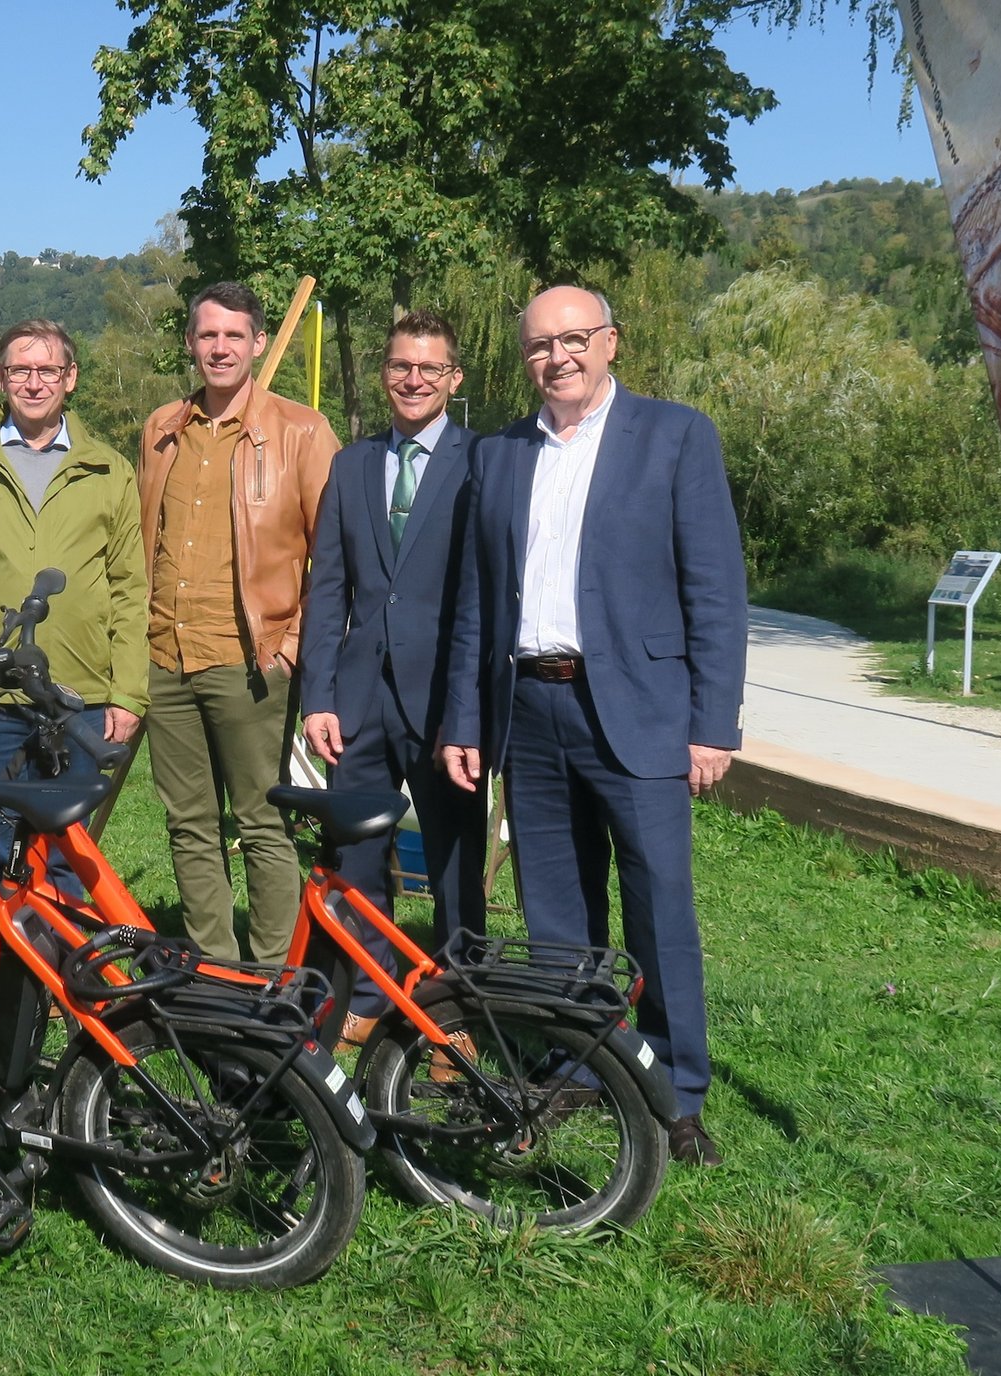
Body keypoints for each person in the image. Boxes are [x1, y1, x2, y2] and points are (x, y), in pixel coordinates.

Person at [440, 286, 747, 1166]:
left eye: (575, 339)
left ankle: (676, 1093)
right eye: (540, 345)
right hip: (529, 709)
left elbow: (715, 591)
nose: (558, 358)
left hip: (640, 711)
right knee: (555, 910)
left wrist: (712, 724)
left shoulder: (675, 436)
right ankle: (578, 1060)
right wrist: (466, 715)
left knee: (659, 906)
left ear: (611, 342)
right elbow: (475, 600)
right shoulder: (499, 454)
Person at [140, 281, 340, 964]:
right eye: (206, 335)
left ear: (257, 342)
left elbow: (334, 558)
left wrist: (289, 644)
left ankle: (274, 979)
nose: (218, 348)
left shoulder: (302, 432)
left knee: (259, 823)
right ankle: (217, 979)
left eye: (233, 335)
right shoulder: (163, 429)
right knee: (189, 825)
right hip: (166, 655)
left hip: (250, 662)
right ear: (191, 343)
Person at [300, 311, 487, 1040]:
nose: (413, 380)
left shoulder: (482, 462)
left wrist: (469, 709)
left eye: (429, 369)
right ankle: (371, 997)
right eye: (401, 366)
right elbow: (329, 589)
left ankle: (455, 1006)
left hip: (445, 698)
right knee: (357, 856)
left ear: (453, 379)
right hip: (358, 698)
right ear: (385, 372)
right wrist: (318, 694)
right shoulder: (351, 465)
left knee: (452, 862)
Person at [0, 319, 147, 921]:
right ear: (1, 378)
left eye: (48, 370)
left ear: (70, 379)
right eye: (20, 370)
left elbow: (130, 588)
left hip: (82, 697)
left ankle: (59, 993)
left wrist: (127, 691)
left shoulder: (109, 470)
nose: (34, 382)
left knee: (69, 859)